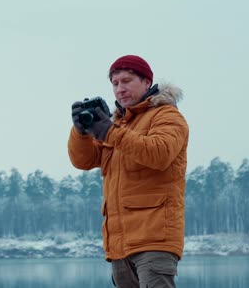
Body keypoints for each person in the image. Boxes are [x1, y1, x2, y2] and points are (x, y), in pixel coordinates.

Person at [68, 55, 189, 288]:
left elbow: (160, 153)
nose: (120, 89)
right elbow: (82, 160)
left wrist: (109, 131)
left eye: (126, 81)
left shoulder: (167, 116)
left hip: (155, 239)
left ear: (146, 82)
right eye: (115, 84)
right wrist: (81, 132)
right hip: (120, 244)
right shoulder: (118, 126)